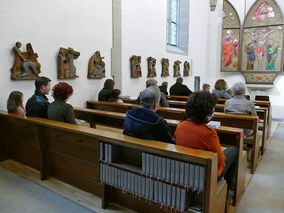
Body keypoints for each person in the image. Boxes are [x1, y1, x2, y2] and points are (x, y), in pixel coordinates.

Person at [174, 91, 238, 197]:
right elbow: (221, 160)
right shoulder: (208, 132)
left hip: (185, 168)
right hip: (205, 173)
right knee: (233, 151)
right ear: (207, 112)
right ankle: (228, 189)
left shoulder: (180, 125)